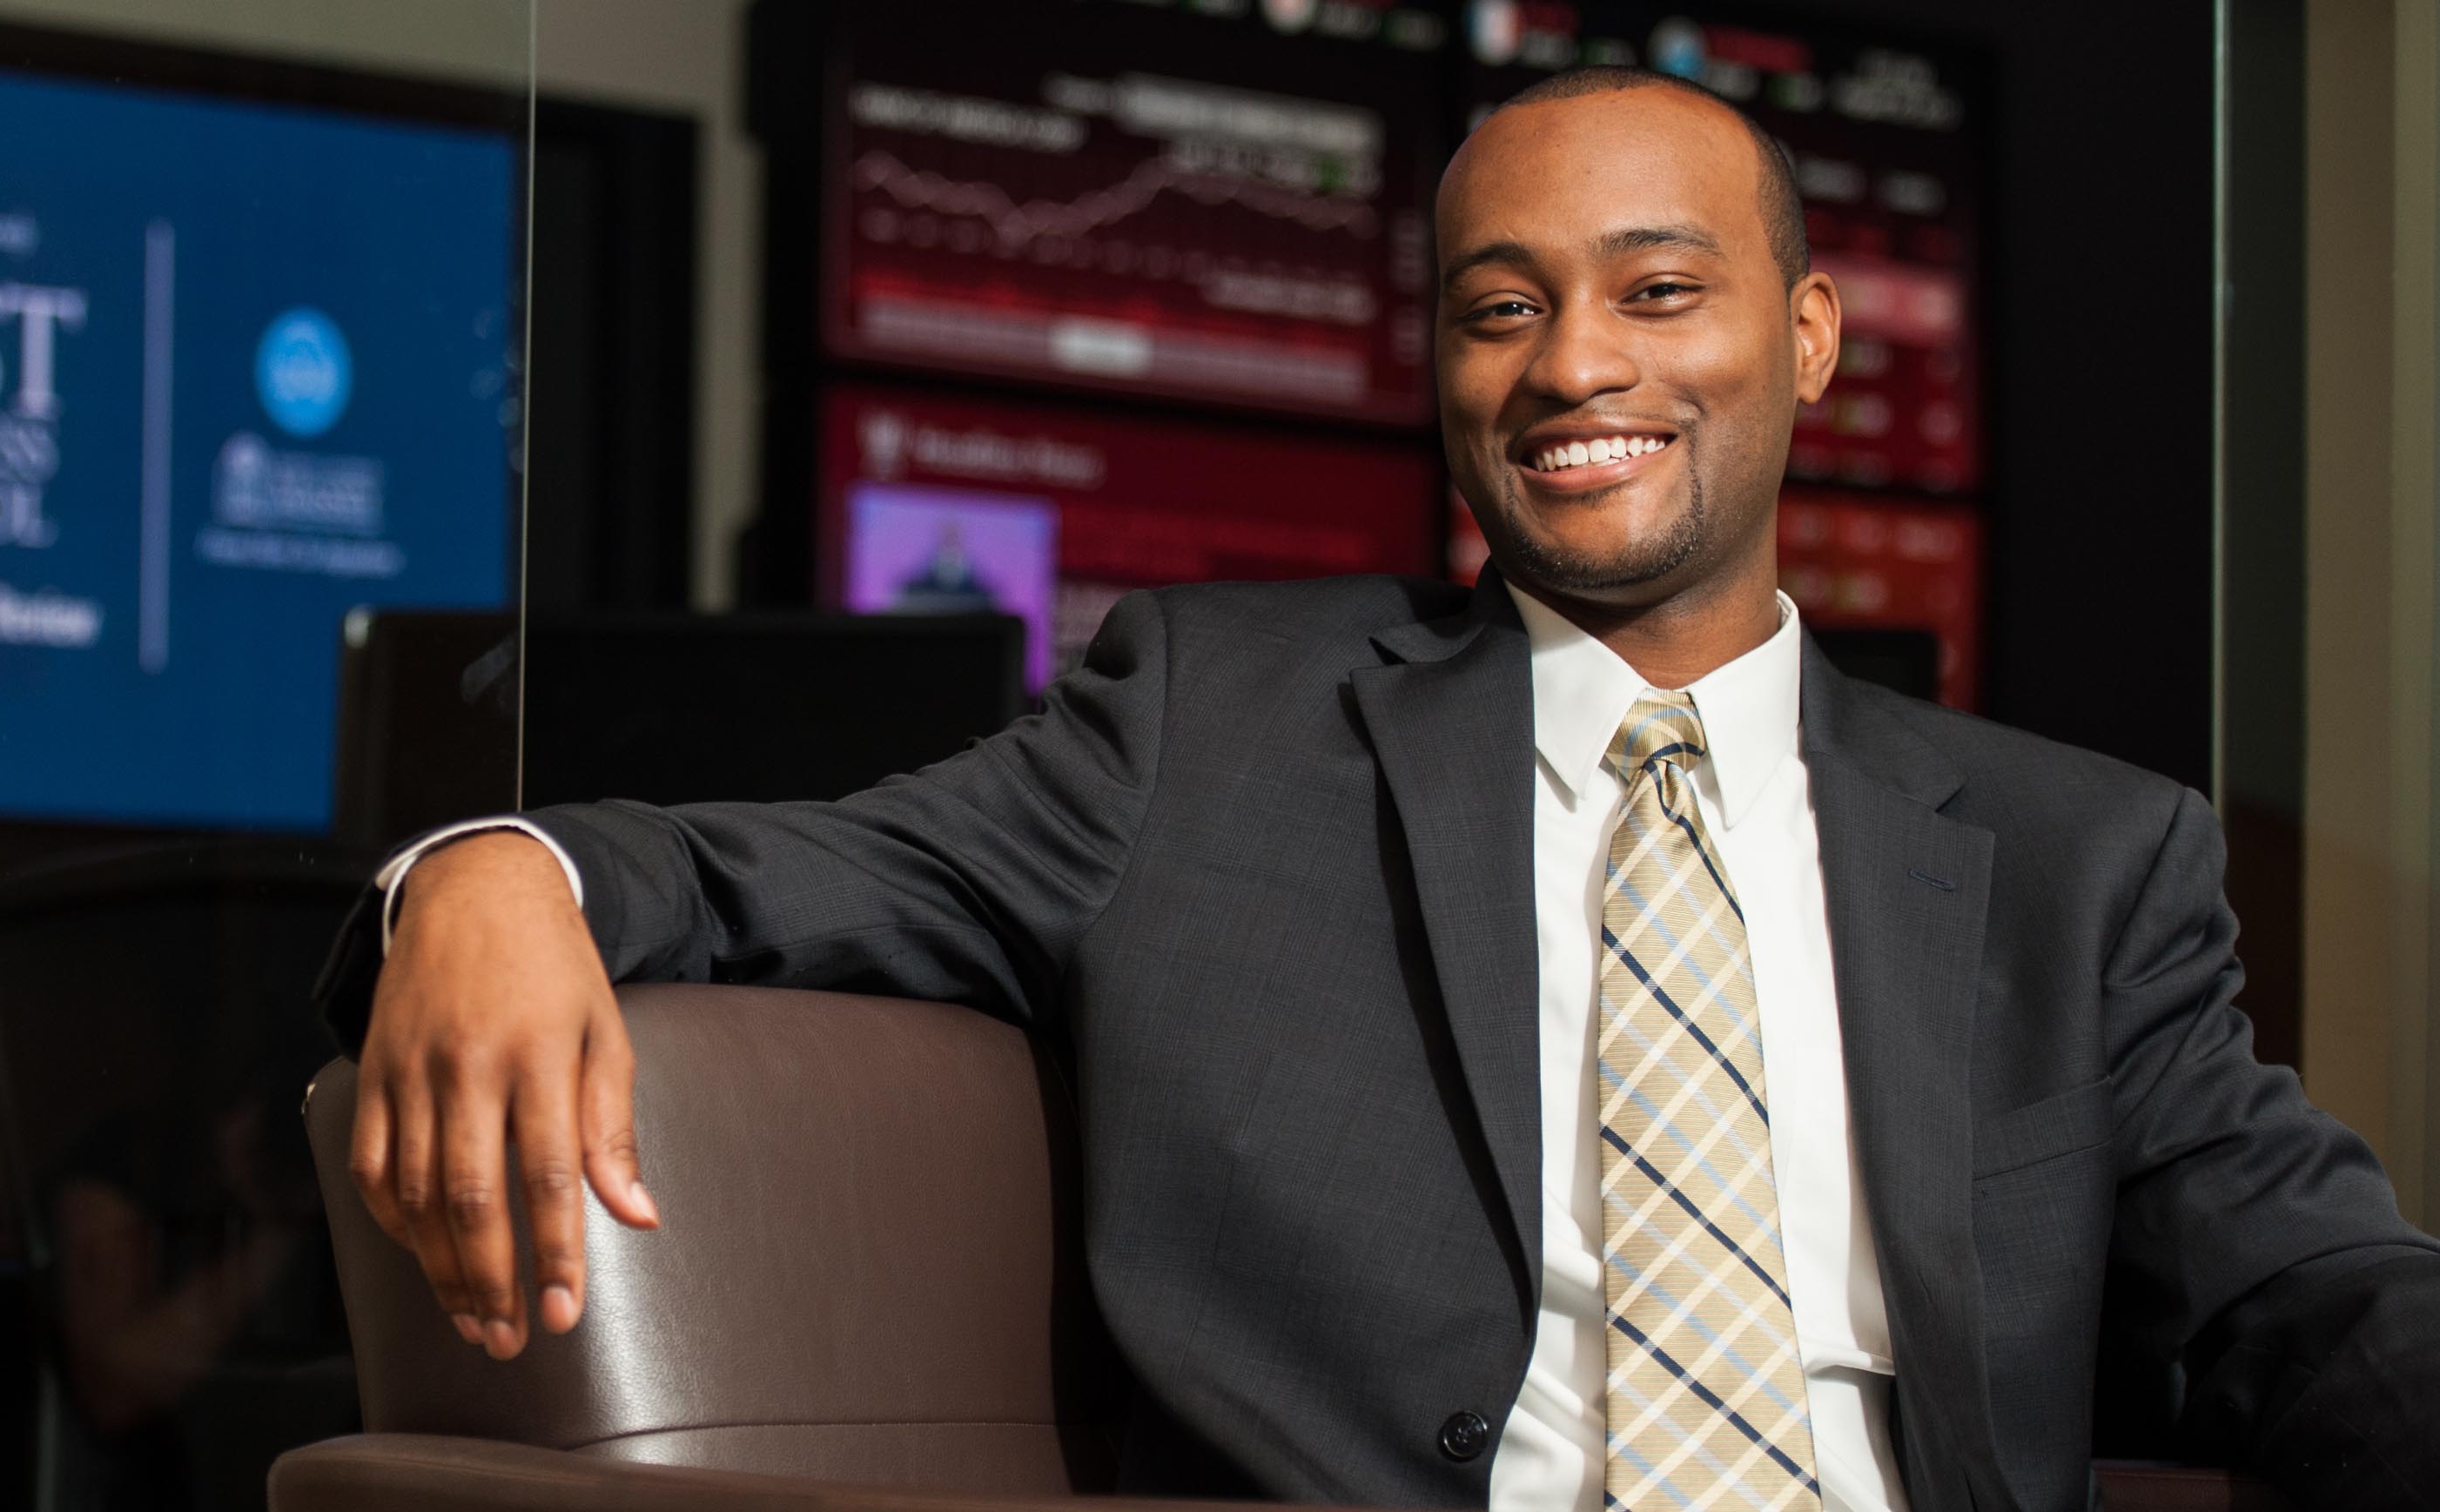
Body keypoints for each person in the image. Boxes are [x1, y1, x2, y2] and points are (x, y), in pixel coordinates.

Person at [322, 68, 2440, 1512]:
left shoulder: (2086, 861)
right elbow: (779, 867)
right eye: (1498, 309)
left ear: (1807, 341)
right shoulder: (1214, 724)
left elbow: (2306, 1297)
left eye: (1658, 290)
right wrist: (499, 867)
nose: (1572, 365)